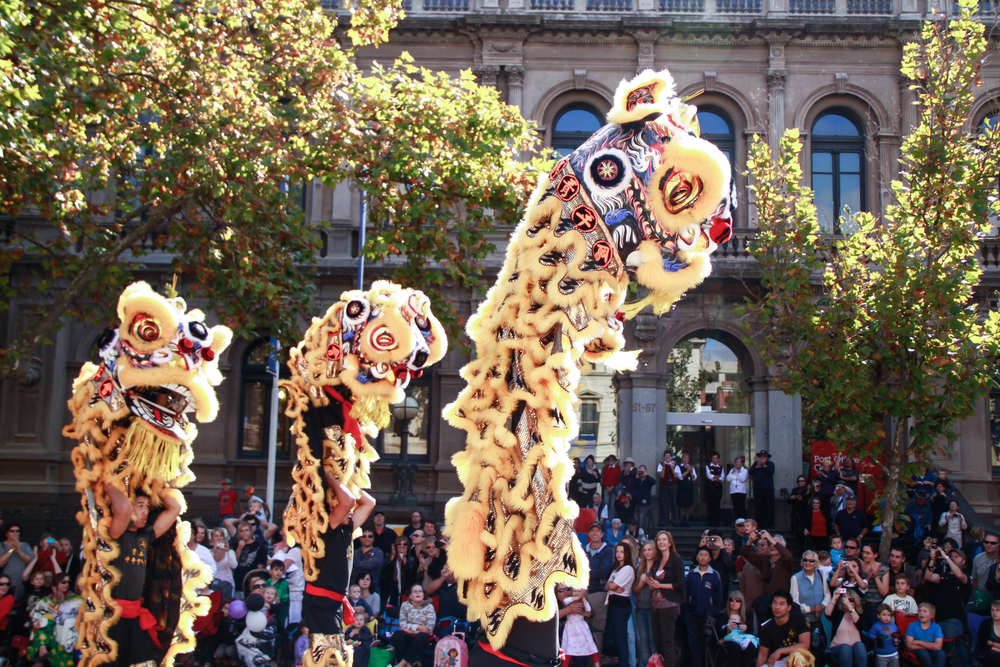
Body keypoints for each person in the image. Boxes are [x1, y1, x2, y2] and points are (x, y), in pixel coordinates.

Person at [104, 482, 182, 667]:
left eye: (147, 507)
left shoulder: (145, 537)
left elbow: (175, 508)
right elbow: (123, 508)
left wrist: (156, 484)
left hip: (135, 617)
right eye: (140, 506)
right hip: (114, 619)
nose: (145, 511)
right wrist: (105, 481)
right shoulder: (115, 534)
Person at [922, 545, 971, 658]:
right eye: (951, 556)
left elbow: (959, 574)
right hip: (937, 620)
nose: (953, 558)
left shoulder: (965, 577)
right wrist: (933, 559)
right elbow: (928, 577)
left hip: (953, 621)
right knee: (938, 653)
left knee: (950, 653)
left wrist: (947, 558)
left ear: (963, 562)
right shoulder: (944, 576)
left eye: (956, 557)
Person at [649, 531, 685, 667]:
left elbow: (680, 584)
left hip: (669, 605)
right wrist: (652, 585)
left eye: (664, 539)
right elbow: (654, 584)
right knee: (657, 640)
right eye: (659, 540)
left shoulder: (676, 560)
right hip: (655, 605)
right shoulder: (656, 561)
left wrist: (660, 585)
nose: (661, 542)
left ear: (670, 543)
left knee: (667, 641)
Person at [685, 546, 723, 667]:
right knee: (694, 644)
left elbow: (719, 597)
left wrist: (714, 612)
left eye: (706, 555)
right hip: (693, 615)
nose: (703, 557)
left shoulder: (714, 575)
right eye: (700, 555)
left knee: (709, 644)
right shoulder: (691, 574)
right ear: (697, 557)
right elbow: (686, 595)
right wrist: (687, 613)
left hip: (708, 616)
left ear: (710, 558)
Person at [756, 591, 810, 667]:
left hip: (800, 658)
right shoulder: (766, 628)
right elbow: (762, 655)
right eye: (775, 603)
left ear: (789, 607)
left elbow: (805, 645)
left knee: (798, 656)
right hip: (779, 662)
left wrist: (780, 651)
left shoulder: (799, 618)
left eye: (782, 604)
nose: (777, 607)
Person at [390, 584, 436, 667]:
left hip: (422, 636)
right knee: (397, 634)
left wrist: (412, 631)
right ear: (410, 596)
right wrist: (418, 627)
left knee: (421, 636)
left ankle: (402, 663)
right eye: (415, 592)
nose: (418, 593)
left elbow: (429, 629)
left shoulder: (429, 607)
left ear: (423, 595)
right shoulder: (405, 605)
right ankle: (409, 663)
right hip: (409, 634)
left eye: (420, 591)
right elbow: (403, 624)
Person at [584, 522, 613, 653]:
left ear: (602, 534)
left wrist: (585, 572)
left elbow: (603, 572)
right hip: (583, 592)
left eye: (598, 531)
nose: (595, 533)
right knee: (582, 631)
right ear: (589, 534)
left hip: (599, 594)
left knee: (597, 631)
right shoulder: (584, 550)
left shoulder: (607, 551)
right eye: (592, 531)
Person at [740, 530, 793, 599]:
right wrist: (750, 540)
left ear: (783, 547)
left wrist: (771, 539)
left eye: (776, 544)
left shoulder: (785, 561)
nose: (772, 546)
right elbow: (745, 553)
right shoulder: (765, 559)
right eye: (770, 543)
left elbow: (788, 556)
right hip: (767, 601)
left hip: (781, 601)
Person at [604, 542, 634, 667]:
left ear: (627, 554)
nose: (619, 554)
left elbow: (613, 585)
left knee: (621, 639)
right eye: (617, 552)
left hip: (621, 607)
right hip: (614, 605)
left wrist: (612, 586)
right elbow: (607, 586)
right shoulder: (616, 569)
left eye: (622, 552)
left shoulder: (627, 568)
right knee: (617, 638)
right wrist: (613, 587)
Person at [825, 586, 866, 667]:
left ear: (856, 602)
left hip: (856, 648)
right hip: (838, 647)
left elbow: (861, 625)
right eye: (845, 600)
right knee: (845, 647)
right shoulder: (838, 614)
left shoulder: (859, 615)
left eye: (850, 600)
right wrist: (834, 598)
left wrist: (850, 608)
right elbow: (827, 614)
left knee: (859, 645)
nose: (847, 602)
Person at [559, 585, 598, 667]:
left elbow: (590, 612)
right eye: (561, 590)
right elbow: (566, 602)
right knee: (568, 650)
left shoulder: (582, 601)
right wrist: (570, 609)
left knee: (590, 648)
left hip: (580, 629)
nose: (565, 592)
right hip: (568, 630)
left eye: (567, 589)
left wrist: (582, 601)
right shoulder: (564, 601)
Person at [271, 528, 305, 624]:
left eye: (286, 536)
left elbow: (281, 569)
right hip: (297, 588)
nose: (284, 538)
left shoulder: (294, 551)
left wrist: (274, 555)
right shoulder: (295, 550)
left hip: (293, 590)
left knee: (290, 618)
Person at [632, 541, 657, 667]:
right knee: (643, 642)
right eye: (645, 550)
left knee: (653, 642)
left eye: (649, 549)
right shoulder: (639, 568)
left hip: (653, 609)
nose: (647, 552)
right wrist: (641, 583)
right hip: (640, 609)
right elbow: (634, 590)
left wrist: (650, 584)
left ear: (654, 551)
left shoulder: (658, 568)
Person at [717, 591, 758, 667]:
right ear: (728, 602)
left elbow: (751, 631)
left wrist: (746, 628)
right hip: (727, 639)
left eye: (738, 600)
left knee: (750, 646)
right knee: (735, 647)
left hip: (743, 638)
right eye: (731, 599)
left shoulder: (747, 615)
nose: (734, 602)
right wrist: (727, 629)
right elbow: (717, 633)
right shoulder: (722, 614)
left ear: (741, 602)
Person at [789, 550, 830, 626]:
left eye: (811, 561)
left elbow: (827, 595)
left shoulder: (821, 574)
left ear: (816, 563)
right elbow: (794, 602)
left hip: (821, 619)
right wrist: (811, 609)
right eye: (805, 560)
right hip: (804, 620)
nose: (808, 563)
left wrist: (823, 606)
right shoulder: (795, 578)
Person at [382, 536, 417, 613]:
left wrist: (405, 564)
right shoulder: (388, 557)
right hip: (391, 588)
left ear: (408, 547)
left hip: (405, 589)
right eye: (399, 544)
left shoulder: (411, 560)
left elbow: (411, 577)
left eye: (405, 544)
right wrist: (391, 560)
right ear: (395, 546)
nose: (402, 546)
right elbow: (383, 574)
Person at [0, 523, 34, 601]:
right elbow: (1, 562)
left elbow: (29, 560)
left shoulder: (25, 545)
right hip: (5, 581)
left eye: (17, 531)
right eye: (12, 531)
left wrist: (18, 550)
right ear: (6, 533)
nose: (15, 533)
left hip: (21, 580)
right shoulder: (1, 545)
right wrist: (11, 549)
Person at [905, 602, 946, 667]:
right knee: (923, 653)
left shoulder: (936, 627)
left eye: (925, 611)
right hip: (918, 652)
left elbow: (938, 647)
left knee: (941, 653)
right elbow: (910, 646)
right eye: (920, 611)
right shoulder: (912, 625)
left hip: (930, 651)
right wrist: (929, 647)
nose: (921, 613)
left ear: (932, 615)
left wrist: (919, 642)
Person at [233, 521, 269, 592]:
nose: (244, 533)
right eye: (242, 531)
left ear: (251, 531)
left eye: (246, 530)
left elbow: (260, 567)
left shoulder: (259, 545)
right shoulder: (237, 544)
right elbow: (235, 562)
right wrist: (239, 548)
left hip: (252, 581)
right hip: (239, 580)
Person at [867, 603, 901, 667]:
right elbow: (870, 634)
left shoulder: (894, 626)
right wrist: (875, 638)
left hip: (894, 653)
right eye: (884, 615)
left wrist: (899, 639)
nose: (886, 617)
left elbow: (898, 634)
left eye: (889, 615)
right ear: (878, 616)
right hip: (881, 655)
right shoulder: (876, 626)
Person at [209, 526, 237, 601]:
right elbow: (206, 566)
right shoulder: (208, 552)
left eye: (221, 536)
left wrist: (228, 551)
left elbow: (234, 565)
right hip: (211, 583)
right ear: (212, 539)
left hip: (227, 583)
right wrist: (213, 552)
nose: (219, 538)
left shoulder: (230, 552)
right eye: (216, 536)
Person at [750, 450, 775, 529]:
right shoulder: (755, 464)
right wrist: (757, 466)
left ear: (767, 457)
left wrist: (764, 465)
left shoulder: (770, 464)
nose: (762, 458)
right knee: (758, 508)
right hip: (758, 489)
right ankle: (759, 525)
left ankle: (770, 525)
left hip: (768, 489)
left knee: (769, 507)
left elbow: (771, 473)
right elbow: (751, 472)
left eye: (764, 456)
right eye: (761, 456)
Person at [657, 451, 679, 528]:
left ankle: (675, 521)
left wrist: (672, 468)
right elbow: (662, 476)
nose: (667, 458)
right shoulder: (660, 464)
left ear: (671, 457)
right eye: (666, 456)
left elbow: (676, 476)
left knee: (673, 502)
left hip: (673, 485)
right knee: (663, 502)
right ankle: (663, 521)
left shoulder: (675, 465)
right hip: (664, 485)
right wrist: (664, 467)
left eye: (669, 456)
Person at [787, 476, 810, 550]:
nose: (800, 482)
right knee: (795, 528)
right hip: (795, 511)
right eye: (799, 481)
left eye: (802, 481)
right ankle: (796, 543)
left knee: (803, 528)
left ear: (805, 482)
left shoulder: (807, 490)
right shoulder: (795, 490)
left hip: (804, 512)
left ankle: (803, 545)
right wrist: (791, 498)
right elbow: (789, 501)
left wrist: (801, 499)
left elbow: (808, 499)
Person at [633, 465, 656, 537]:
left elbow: (654, 482)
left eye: (642, 471)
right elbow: (633, 486)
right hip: (637, 504)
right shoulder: (638, 480)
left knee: (642, 522)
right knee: (636, 522)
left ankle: (642, 537)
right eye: (640, 471)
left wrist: (646, 475)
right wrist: (637, 476)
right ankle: (636, 536)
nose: (641, 473)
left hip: (645, 504)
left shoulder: (648, 480)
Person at [727, 456, 749, 529]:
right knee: (735, 507)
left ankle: (742, 524)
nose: (737, 464)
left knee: (741, 508)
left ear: (742, 463)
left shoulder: (744, 471)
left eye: (739, 462)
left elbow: (743, 479)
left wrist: (739, 472)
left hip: (741, 492)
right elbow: (728, 479)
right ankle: (736, 523)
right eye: (736, 462)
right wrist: (733, 472)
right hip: (733, 491)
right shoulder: (732, 470)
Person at [977, 598, 1000, 667]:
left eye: (997, 610)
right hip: (989, 651)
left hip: (993, 648)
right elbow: (983, 644)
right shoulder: (986, 623)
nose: (994, 612)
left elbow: (988, 642)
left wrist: (992, 643)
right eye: (992, 610)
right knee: (994, 655)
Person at [704, 452, 723, 527]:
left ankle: (716, 523)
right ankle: (710, 523)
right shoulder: (708, 466)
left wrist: (714, 477)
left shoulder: (720, 467)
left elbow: (722, 478)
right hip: (710, 488)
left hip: (718, 489)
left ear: (718, 459)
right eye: (713, 457)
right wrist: (715, 477)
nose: (714, 459)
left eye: (716, 458)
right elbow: (709, 476)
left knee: (717, 505)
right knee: (710, 505)